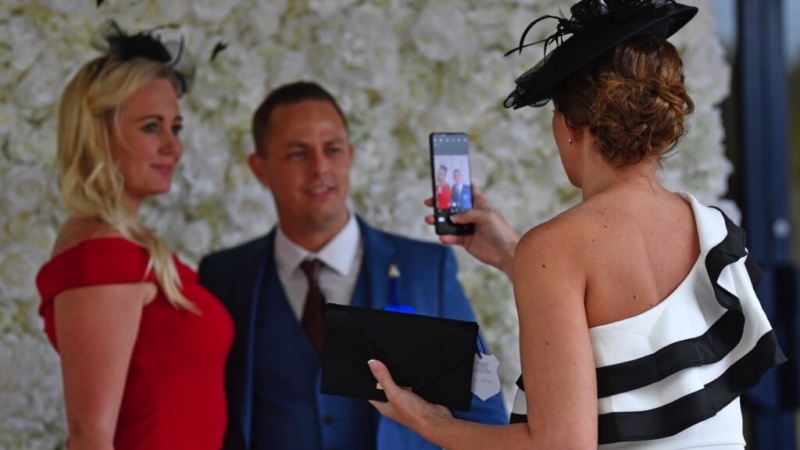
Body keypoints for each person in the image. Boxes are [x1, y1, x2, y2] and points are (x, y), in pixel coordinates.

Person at [366, 1, 787, 448]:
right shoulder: (714, 229)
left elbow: (561, 446)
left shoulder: (553, 249)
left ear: (569, 127)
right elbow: (636, 330)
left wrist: (430, 422)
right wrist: (512, 255)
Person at [197, 81, 507, 450]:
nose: (320, 168)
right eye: (298, 153)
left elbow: (486, 415)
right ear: (261, 168)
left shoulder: (427, 269)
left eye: (333, 149)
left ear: (350, 155)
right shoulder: (224, 276)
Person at [34, 21, 232, 450]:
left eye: (175, 128)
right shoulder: (102, 255)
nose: (172, 146)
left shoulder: (119, 248)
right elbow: (90, 439)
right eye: (150, 127)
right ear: (99, 134)